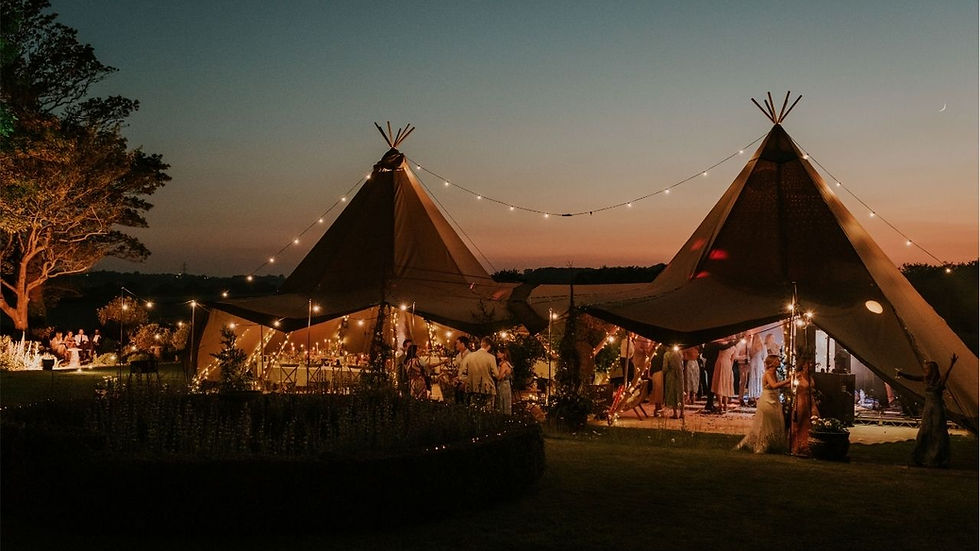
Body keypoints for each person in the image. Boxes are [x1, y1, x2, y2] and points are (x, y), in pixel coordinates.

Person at [897, 354, 958, 468]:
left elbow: (946, 376)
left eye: (927, 369)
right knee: (925, 432)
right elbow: (913, 377)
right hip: (928, 409)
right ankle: (921, 456)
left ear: (933, 371)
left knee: (937, 432)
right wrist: (902, 374)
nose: (925, 371)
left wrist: (951, 364)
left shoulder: (938, 381)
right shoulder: (925, 380)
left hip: (937, 409)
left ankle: (937, 457)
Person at [737, 354, 792, 453]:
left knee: (775, 422)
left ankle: (773, 444)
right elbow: (773, 385)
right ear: (772, 363)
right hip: (767, 401)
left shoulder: (774, 373)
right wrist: (787, 381)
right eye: (777, 360)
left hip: (774, 400)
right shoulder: (768, 374)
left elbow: (777, 386)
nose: (779, 362)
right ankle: (762, 444)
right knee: (766, 423)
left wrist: (789, 385)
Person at [790, 359, 820, 457]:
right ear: (803, 365)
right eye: (808, 364)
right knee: (800, 421)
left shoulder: (810, 376)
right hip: (801, 399)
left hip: (809, 400)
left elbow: (812, 387)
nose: (810, 366)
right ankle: (797, 445)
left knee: (811, 420)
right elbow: (794, 387)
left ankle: (808, 444)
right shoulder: (798, 375)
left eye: (810, 364)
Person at [465, 337, 498, 409]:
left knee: (474, 408)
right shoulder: (491, 357)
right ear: (489, 346)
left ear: (481, 344)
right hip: (487, 387)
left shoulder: (470, 356)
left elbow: (463, 371)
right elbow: (496, 374)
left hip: (473, 386)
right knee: (488, 409)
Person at [710, 338, 736, 413]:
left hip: (720, 363)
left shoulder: (720, 344)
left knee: (719, 383)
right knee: (725, 384)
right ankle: (725, 405)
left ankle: (721, 404)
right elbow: (732, 360)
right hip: (728, 364)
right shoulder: (734, 348)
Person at [662, 346, 685, 419]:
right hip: (680, 374)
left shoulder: (667, 354)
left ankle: (675, 413)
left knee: (673, 393)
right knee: (680, 392)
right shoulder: (680, 353)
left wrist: (663, 372)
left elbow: (665, 367)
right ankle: (682, 412)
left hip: (671, 375)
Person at [747, 334, 766, 406]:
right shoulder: (762, 346)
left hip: (753, 363)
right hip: (759, 363)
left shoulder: (751, 347)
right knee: (759, 379)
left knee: (753, 379)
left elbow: (750, 356)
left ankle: (754, 398)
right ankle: (758, 397)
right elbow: (764, 357)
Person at [495, 347, 514, 415]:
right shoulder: (504, 363)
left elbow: (499, 377)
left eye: (498, 352)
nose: (497, 354)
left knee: (503, 401)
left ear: (503, 354)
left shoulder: (504, 365)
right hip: (505, 384)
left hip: (503, 385)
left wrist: (495, 374)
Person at [453, 336, 472, 404]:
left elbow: (472, 371)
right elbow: (458, 369)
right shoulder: (458, 356)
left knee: (466, 403)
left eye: (457, 343)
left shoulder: (470, 356)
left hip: (466, 383)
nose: (456, 345)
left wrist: (465, 383)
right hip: (458, 382)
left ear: (463, 344)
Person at [733, 334, 750, 406]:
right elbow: (735, 357)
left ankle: (750, 397)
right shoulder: (739, 345)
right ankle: (741, 397)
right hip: (742, 364)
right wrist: (743, 357)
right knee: (743, 381)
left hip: (749, 364)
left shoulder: (750, 344)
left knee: (748, 381)